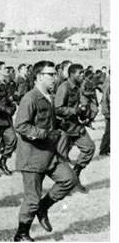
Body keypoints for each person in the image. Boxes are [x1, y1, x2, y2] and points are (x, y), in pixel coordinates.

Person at [14, 60, 77, 242]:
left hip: (49, 154)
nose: (55, 78)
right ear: (40, 76)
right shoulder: (30, 98)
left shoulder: (49, 95)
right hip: (32, 156)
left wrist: (59, 124)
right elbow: (21, 126)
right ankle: (22, 233)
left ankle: (44, 207)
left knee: (69, 179)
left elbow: (46, 121)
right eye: (51, 74)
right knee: (32, 198)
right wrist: (45, 133)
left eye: (55, 74)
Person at [55, 64, 95, 193]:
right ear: (72, 74)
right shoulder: (64, 87)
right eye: (80, 73)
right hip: (65, 128)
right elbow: (58, 109)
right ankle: (63, 185)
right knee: (61, 158)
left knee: (89, 148)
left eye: (83, 73)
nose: (82, 75)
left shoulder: (77, 88)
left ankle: (76, 174)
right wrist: (75, 110)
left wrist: (83, 113)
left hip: (76, 126)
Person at [98, 74, 110, 156]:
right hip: (110, 112)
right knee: (109, 132)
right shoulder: (109, 84)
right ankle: (103, 150)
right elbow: (105, 99)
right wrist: (106, 113)